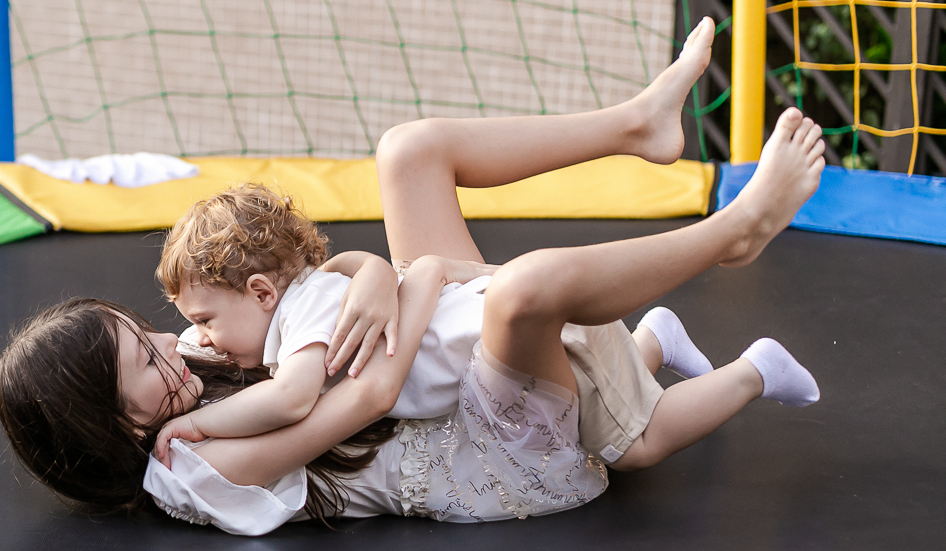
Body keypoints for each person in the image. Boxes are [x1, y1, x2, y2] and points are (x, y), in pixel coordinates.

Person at [0, 17, 827, 535]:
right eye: (144, 357)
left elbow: (309, 290)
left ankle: (636, 122)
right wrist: (416, 277)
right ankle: (731, 233)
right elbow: (363, 396)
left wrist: (371, 275)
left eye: (146, 332)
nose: (171, 344)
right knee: (528, 289)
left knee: (408, 151)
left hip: (445, 371)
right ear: (110, 426)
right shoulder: (191, 467)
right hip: (493, 456)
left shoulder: (185, 373)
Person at [149, 181, 816, 471]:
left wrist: (200, 423)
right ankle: (655, 340)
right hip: (517, 360)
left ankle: (755, 370)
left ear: (262, 291)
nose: (202, 337)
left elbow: (293, 399)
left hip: (542, 341)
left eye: (206, 319)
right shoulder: (307, 303)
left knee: (636, 445)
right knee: (597, 409)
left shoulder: (305, 320)